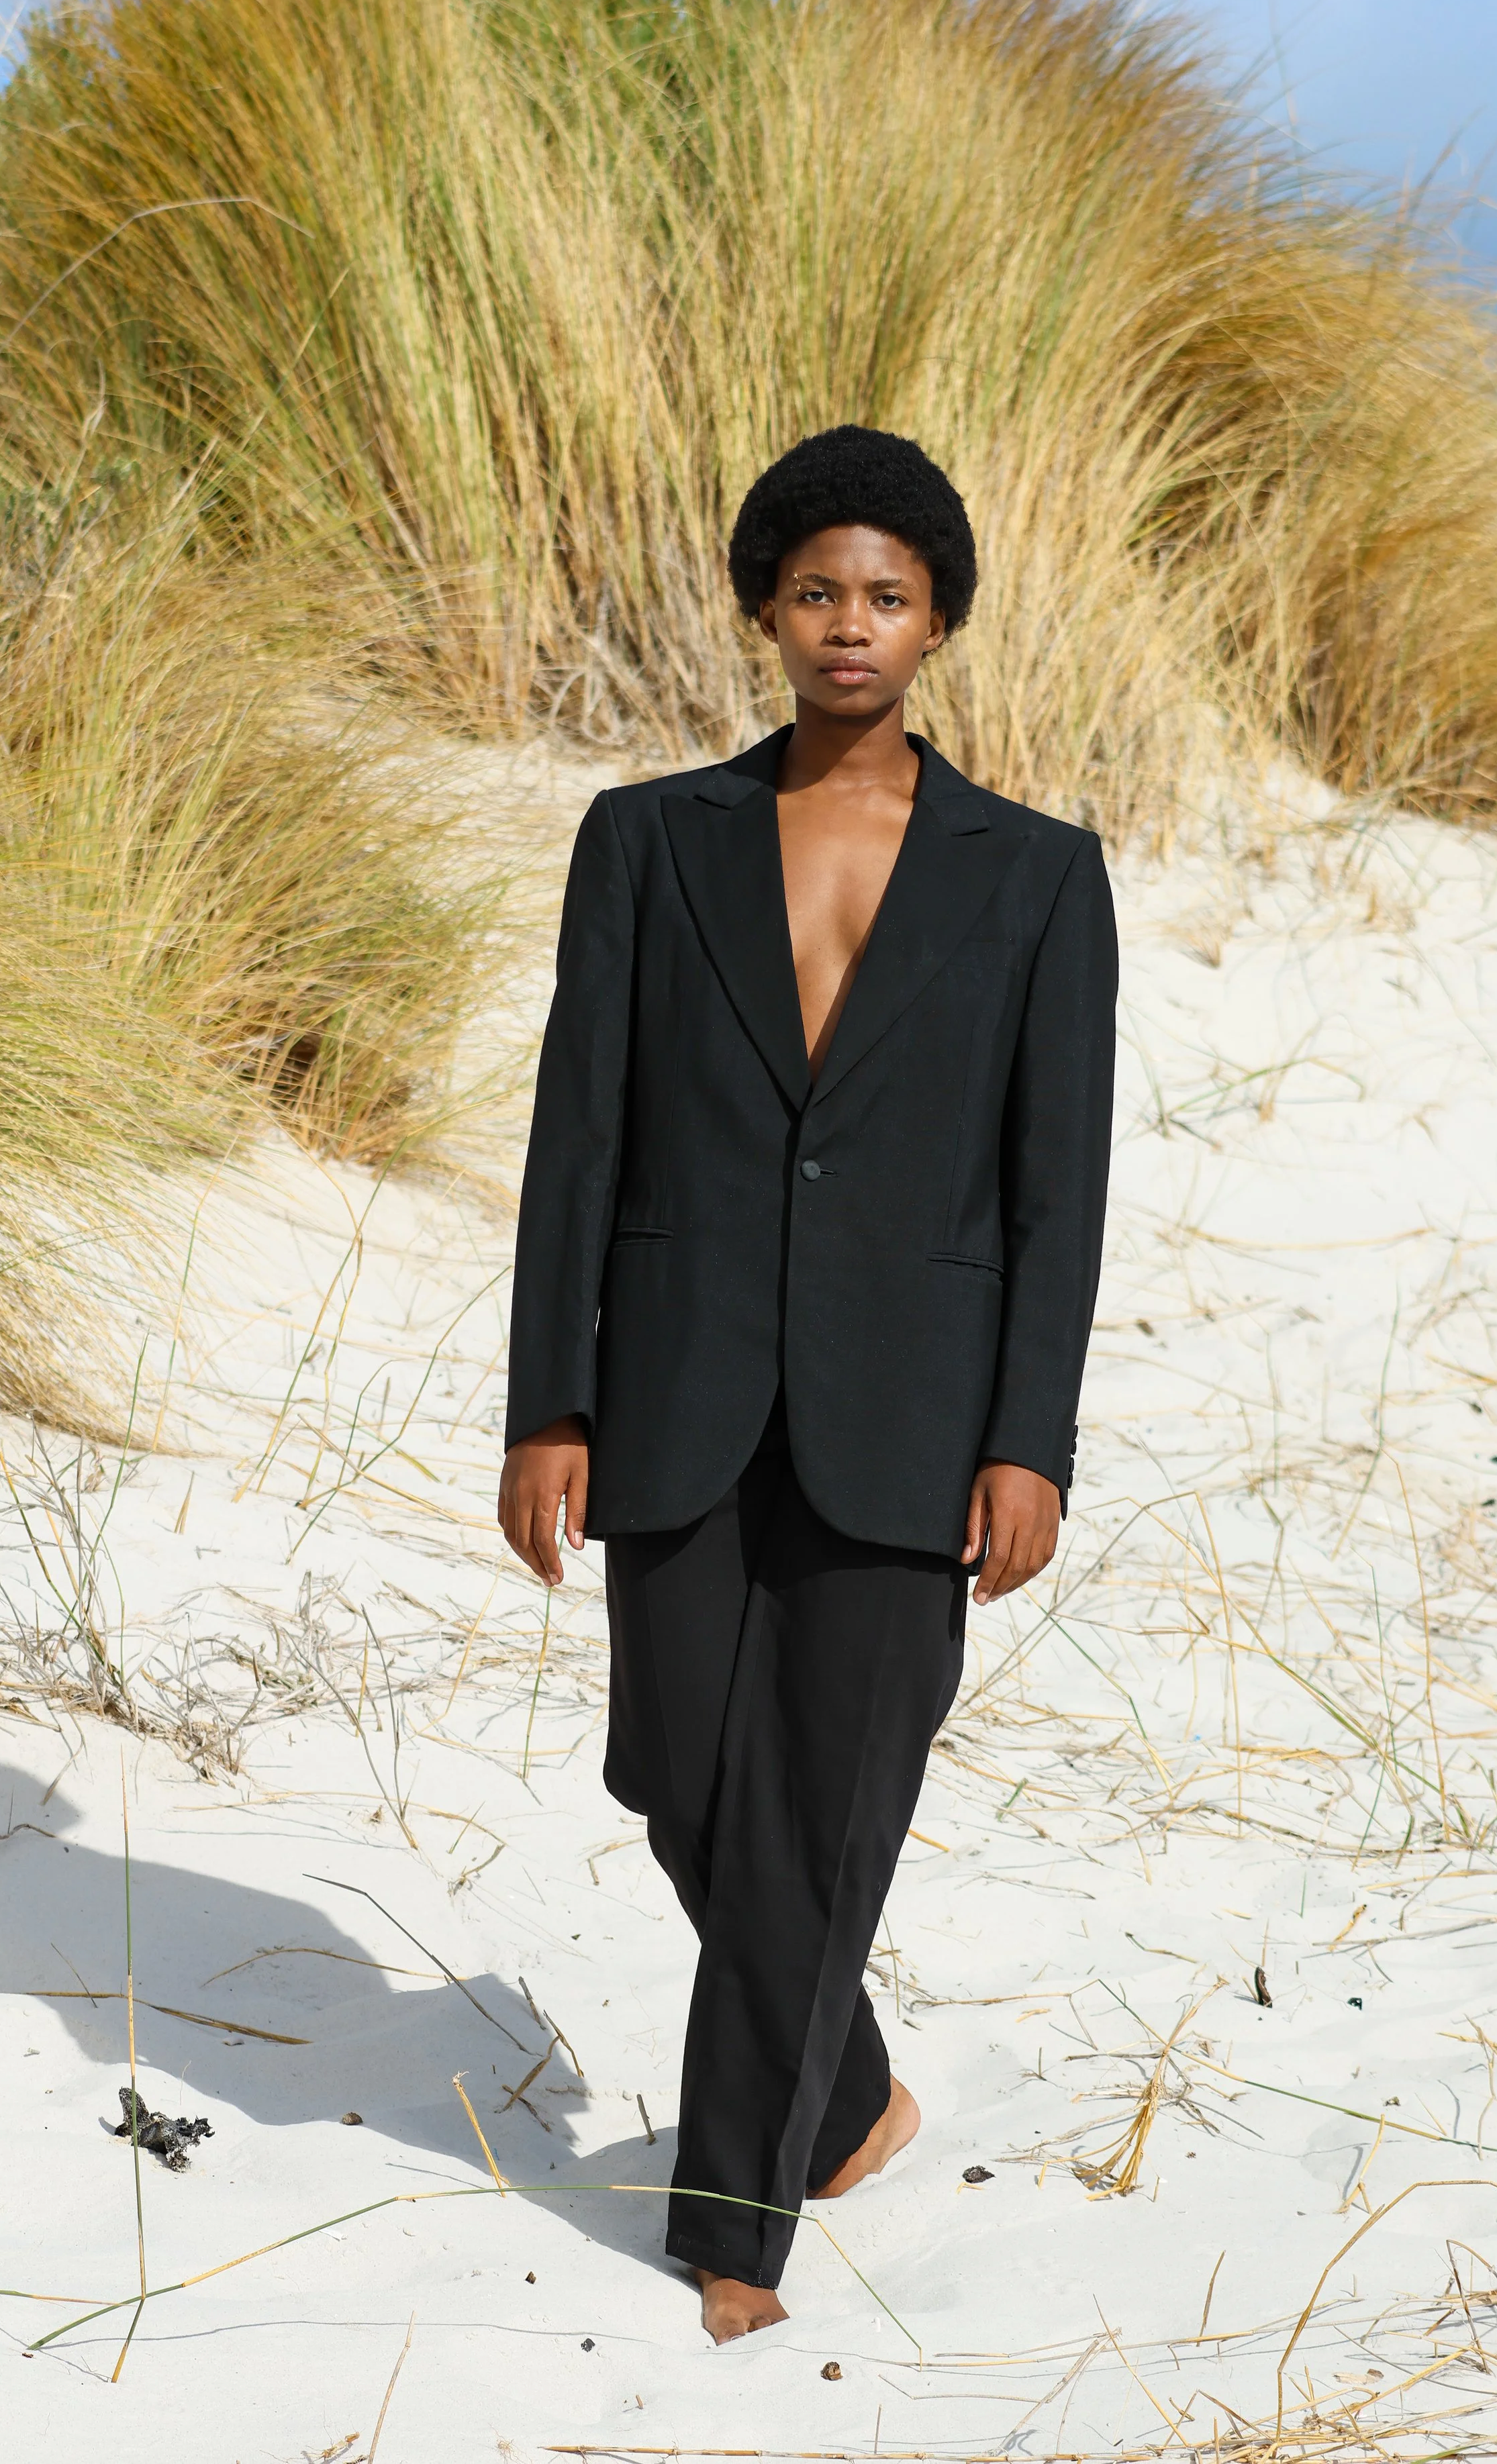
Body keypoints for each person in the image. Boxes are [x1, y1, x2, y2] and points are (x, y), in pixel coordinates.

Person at [498, 424, 1116, 2344]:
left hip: (912, 1413)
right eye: (816, 591)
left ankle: (734, 2224)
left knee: (819, 1809)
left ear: (939, 622)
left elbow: (1054, 1191)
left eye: (888, 596)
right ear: (765, 609)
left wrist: (1027, 1440)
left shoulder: (1033, 876)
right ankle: (844, 2085)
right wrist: (548, 1401)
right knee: (673, 1764)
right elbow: (575, 1142)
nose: (849, 625)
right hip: (677, 1386)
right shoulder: (647, 838)